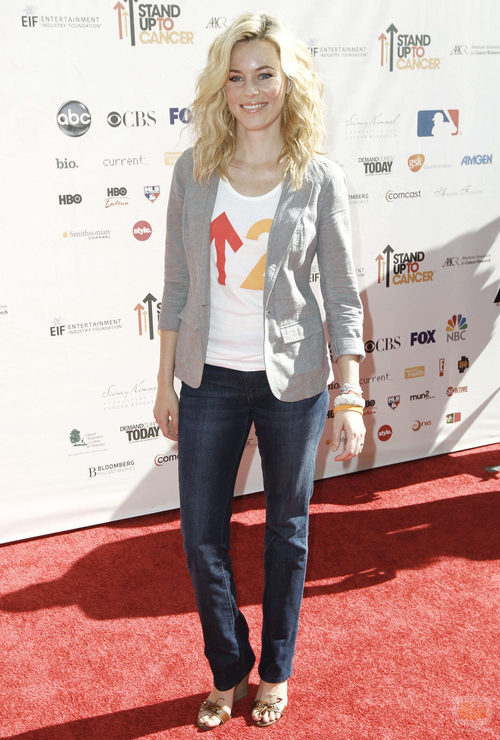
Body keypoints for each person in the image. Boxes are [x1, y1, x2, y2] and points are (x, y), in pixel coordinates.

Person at [153, 12, 365, 730]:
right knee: (200, 537)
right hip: (208, 378)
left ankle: (275, 669)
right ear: (222, 87)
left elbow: (342, 295)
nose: (251, 90)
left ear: (288, 82)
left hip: (294, 383)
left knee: (287, 532)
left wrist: (351, 393)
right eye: (237, 77)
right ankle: (228, 666)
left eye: (265, 75)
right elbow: (176, 285)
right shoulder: (194, 170)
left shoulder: (319, 178)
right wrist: (163, 382)